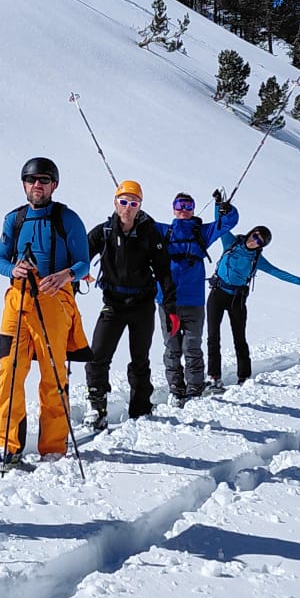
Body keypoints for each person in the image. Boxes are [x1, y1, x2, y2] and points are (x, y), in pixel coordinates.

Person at [0, 157, 91, 467]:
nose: (38, 185)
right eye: (32, 180)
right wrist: (13, 268)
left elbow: (83, 262)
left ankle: (53, 447)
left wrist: (65, 276)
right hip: (17, 302)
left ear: (54, 185)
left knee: (53, 377)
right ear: (24, 184)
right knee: (9, 373)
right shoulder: (14, 220)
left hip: (54, 302)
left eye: (44, 180)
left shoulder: (67, 219)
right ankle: (9, 445)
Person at [83, 180, 177, 428]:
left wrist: (171, 309)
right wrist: (75, 276)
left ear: (139, 206)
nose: (127, 207)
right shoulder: (103, 232)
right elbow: (80, 256)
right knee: (97, 356)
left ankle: (140, 408)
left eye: (133, 203)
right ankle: (97, 408)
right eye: (123, 202)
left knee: (140, 359)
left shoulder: (150, 234)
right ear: (115, 203)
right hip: (113, 304)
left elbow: (164, 272)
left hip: (142, 305)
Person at [205, 223, 300, 391]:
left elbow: (276, 272)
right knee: (213, 337)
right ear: (251, 233)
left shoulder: (257, 259)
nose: (255, 241)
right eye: (255, 236)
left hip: (237, 299)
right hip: (217, 294)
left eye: (260, 241)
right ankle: (214, 377)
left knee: (239, 339)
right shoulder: (230, 243)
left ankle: (244, 377)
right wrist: (220, 205)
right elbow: (221, 223)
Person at [161, 188, 239, 402]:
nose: (184, 209)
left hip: (194, 300)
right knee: (172, 346)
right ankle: (176, 389)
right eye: (180, 206)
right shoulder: (165, 231)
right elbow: (140, 225)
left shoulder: (202, 232)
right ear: (173, 209)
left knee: (192, 346)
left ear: (194, 208)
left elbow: (228, 223)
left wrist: (225, 209)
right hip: (167, 301)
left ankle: (194, 389)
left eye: (188, 205)